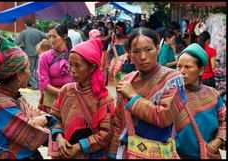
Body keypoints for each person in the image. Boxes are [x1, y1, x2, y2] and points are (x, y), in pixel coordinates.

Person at [109, 27, 187, 159]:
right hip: (128, 153)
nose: (143, 57)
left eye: (148, 49)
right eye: (136, 51)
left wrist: (133, 96)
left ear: (158, 48)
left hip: (159, 152)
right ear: (129, 54)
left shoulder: (173, 78)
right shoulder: (127, 80)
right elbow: (118, 121)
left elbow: (165, 117)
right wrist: (112, 152)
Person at [0, 37, 58, 159]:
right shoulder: (0, 105)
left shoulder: (16, 97)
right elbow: (34, 133)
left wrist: (42, 119)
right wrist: (48, 120)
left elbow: (33, 117)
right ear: (18, 75)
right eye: (27, 68)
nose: (30, 72)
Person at [47, 38, 115, 159]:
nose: (71, 70)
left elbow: (107, 133)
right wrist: (59, 137)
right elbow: (54, 118)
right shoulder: (66, 91)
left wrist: (79, 146)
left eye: (77, 66)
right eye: (70, 64)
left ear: (92, 67)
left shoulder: (103, 99)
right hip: (64, 152)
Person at [175, 43, 226, 159]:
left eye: (188, 67)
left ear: (201, 70)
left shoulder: (213, 95)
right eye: (179, 66)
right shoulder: (171, 96)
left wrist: (218, 141)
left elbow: (224, 121)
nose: (181, 71)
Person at [37, 24, 73, 114]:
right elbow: (44, 83)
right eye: (49, 37)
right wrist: (63, 93)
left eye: (54, 36)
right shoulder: (44, 57)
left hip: (72, 100)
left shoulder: (73, 55)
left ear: (65, 36)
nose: (51, 40)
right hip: (52, 102)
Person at [16, 19, 47, 90]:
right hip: (38, 52)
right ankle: (39, 84)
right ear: (33, 25)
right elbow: (46, 37)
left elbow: (17, 43)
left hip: (29, 53)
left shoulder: (23, 32)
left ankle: (34, 85)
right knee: (37, 70)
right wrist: (41, 45)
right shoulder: (38, 31)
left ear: (25, 25)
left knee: (29, 70)